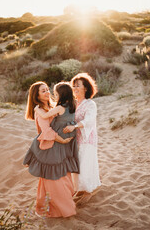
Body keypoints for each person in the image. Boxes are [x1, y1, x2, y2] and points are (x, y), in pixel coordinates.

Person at [23, 81, 79, 218]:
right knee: (55, 180)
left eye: (47, 89)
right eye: (43, 91)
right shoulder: (40, 111)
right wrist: (62, 140)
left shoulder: (54, 107)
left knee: (58, 177)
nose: (47, 92)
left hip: (60, 149)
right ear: (36, 96)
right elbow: (47, 132)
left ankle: (46, 208)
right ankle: (66, 210)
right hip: (49, 148)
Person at [63, 73, 101, 204]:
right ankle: (79, 189)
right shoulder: (73, 104)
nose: (75, 88)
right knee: (76, 167)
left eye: (78, 85)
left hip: (87, 139)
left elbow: (89, 120)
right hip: (74, 140)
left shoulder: (90, 104)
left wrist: (75, 126)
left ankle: (88, 190)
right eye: (73, 86)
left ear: (86, 88)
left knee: (84, 165)